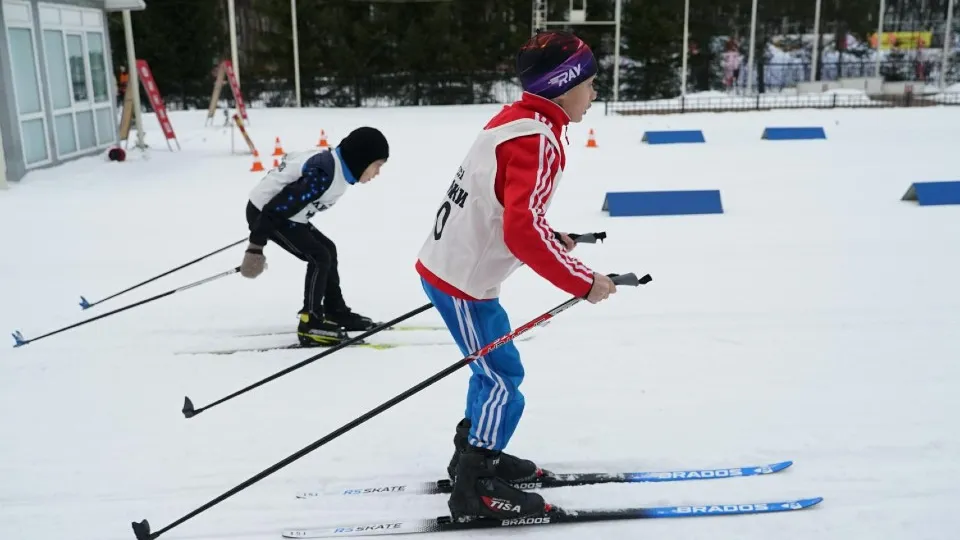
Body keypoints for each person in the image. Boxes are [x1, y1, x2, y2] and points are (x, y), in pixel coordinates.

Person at [414, 31, 617, 521]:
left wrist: (550, 235)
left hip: (458, 272)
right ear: (564, 86)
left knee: (492, 371)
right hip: (462, 281)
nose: (594, 94)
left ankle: (478, 452)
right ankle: (477, 482)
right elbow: (521, 229)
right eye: (589, 84)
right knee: (502, 378)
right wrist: (583, 281)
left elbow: (508, 209)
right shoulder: (537, 139)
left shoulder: (517, 121)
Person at [240, 127, 389, 346]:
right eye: (377, 165)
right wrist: (255, 247)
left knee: (327, 249)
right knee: (319, 256)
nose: (377, 173)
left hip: (286, 214)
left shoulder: (336, 168)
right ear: (361, 158)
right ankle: (311, 321)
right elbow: (276, 208)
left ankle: (334, 311)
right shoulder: (323, 174)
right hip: (268, 214)